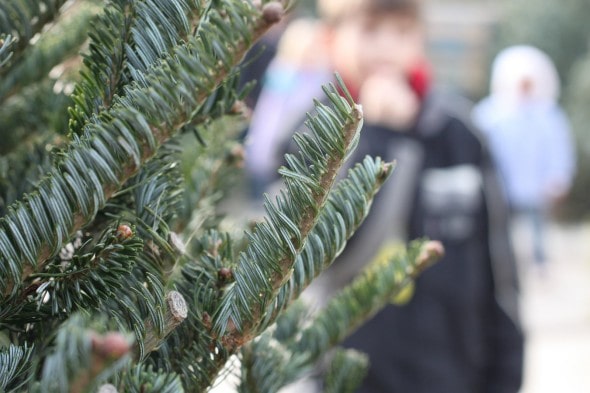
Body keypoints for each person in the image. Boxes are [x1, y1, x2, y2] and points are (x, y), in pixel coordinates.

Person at [301, 1, 524, 392]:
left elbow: (500, 268)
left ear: (421, 39)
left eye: (402, 33)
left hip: (453, 374)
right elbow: (325, 259)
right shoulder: (310, 136)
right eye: (371, 31)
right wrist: (381, 138)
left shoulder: (459, 134)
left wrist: (507, 371)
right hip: (346, 376)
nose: (387, 48)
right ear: (332, 37)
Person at [473, 45, 576, 272]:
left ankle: (539, 262)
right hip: (502, 186)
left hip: (537, 187)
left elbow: (559, 150)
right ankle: (505, 262)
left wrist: (558, 177)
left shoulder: (547, 115)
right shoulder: (492, 114)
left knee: (537, 226)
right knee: (503, 227)